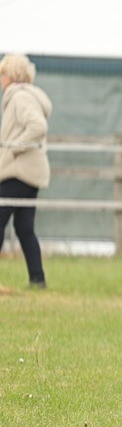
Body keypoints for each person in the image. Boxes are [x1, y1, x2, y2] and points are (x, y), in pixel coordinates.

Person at [0, 54, 53, 289]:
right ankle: (37, 279)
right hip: (30, 174)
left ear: (11, 75)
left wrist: (15, 148)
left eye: (3, 73)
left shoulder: (20, 97)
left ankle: (37, 279)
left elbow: (38, 126)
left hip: (17, 172)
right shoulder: (27, 96)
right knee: (24, 227)